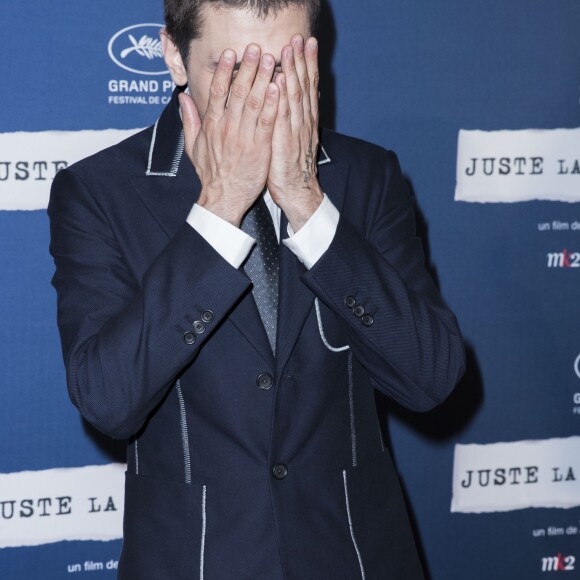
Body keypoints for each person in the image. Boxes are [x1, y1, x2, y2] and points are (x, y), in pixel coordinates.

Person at [48, 0, 465, 577]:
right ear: (174, 56)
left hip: (356, 556)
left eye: (283, 66)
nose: (263, 95)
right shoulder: (99, 192)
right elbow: (107, 400)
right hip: (192, 561)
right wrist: (219, 208)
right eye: (232, 71)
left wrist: (306, 202)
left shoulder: (366, 177)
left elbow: (431, 376)